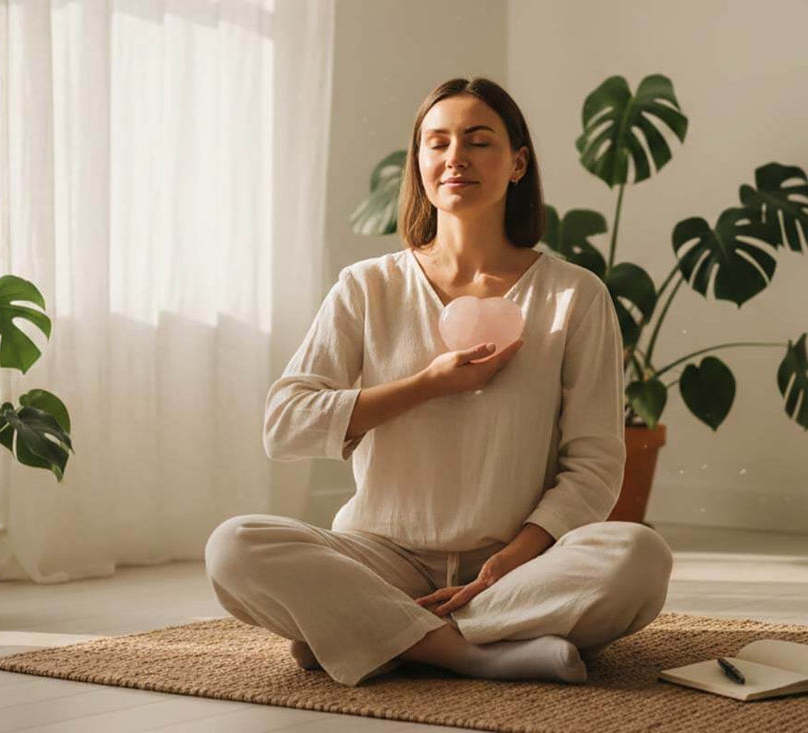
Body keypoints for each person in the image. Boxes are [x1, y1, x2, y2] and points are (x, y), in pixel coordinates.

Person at [204, 76, 674, 688]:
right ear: (420, 162)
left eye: (479, 142)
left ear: (517, 163)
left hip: (514, 563)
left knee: (639, 558)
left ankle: (374, 635)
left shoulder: (574, 295)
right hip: (379, 556)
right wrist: (427, 384)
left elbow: (595, 463)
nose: (456, 158)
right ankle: (469, 653)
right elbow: (285, 424)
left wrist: (516, 556)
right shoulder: (367, 286)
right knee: (234, 548)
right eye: (437, 143)